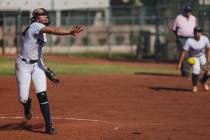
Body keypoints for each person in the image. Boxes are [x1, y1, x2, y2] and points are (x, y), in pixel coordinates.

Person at [15, 8, 83, 134]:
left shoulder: (43, 33)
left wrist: (44, 69)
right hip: (23, 66)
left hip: (37, 66)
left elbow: (38, 54)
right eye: (41, 15)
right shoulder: (35, 26)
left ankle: (48, 126)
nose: (44, 16)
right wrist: (69, 32)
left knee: (42, 95)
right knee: (22, 98)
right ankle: (26, 104)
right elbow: (53, 30)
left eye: (45, 14)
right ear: (35, 18)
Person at [177, 26, 210, 93]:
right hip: (193, 57)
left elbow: (209, 49)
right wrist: (180, 63)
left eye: (199, 32)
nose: (198, 33)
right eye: (196, 32)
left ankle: (203, 81)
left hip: (202, 56)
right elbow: (184, 52)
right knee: (196, 69)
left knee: (209, 71)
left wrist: (208, 60)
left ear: (201, 33)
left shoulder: (205, 39)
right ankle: (194, 86)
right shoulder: (189, 41)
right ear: (194, 33)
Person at [172, 4, 197, 77]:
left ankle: (185, 70)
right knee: (185, 54)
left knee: (190, 55)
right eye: (186, 11)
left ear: (191, 11)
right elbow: (174, 29)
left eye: (189, 11)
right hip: (182, 38)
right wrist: (179, 36)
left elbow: (195, 28)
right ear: (184, 11)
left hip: (191, 38)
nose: (188, 12)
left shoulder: (193, 18)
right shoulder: (179, 17)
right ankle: (186, 72)